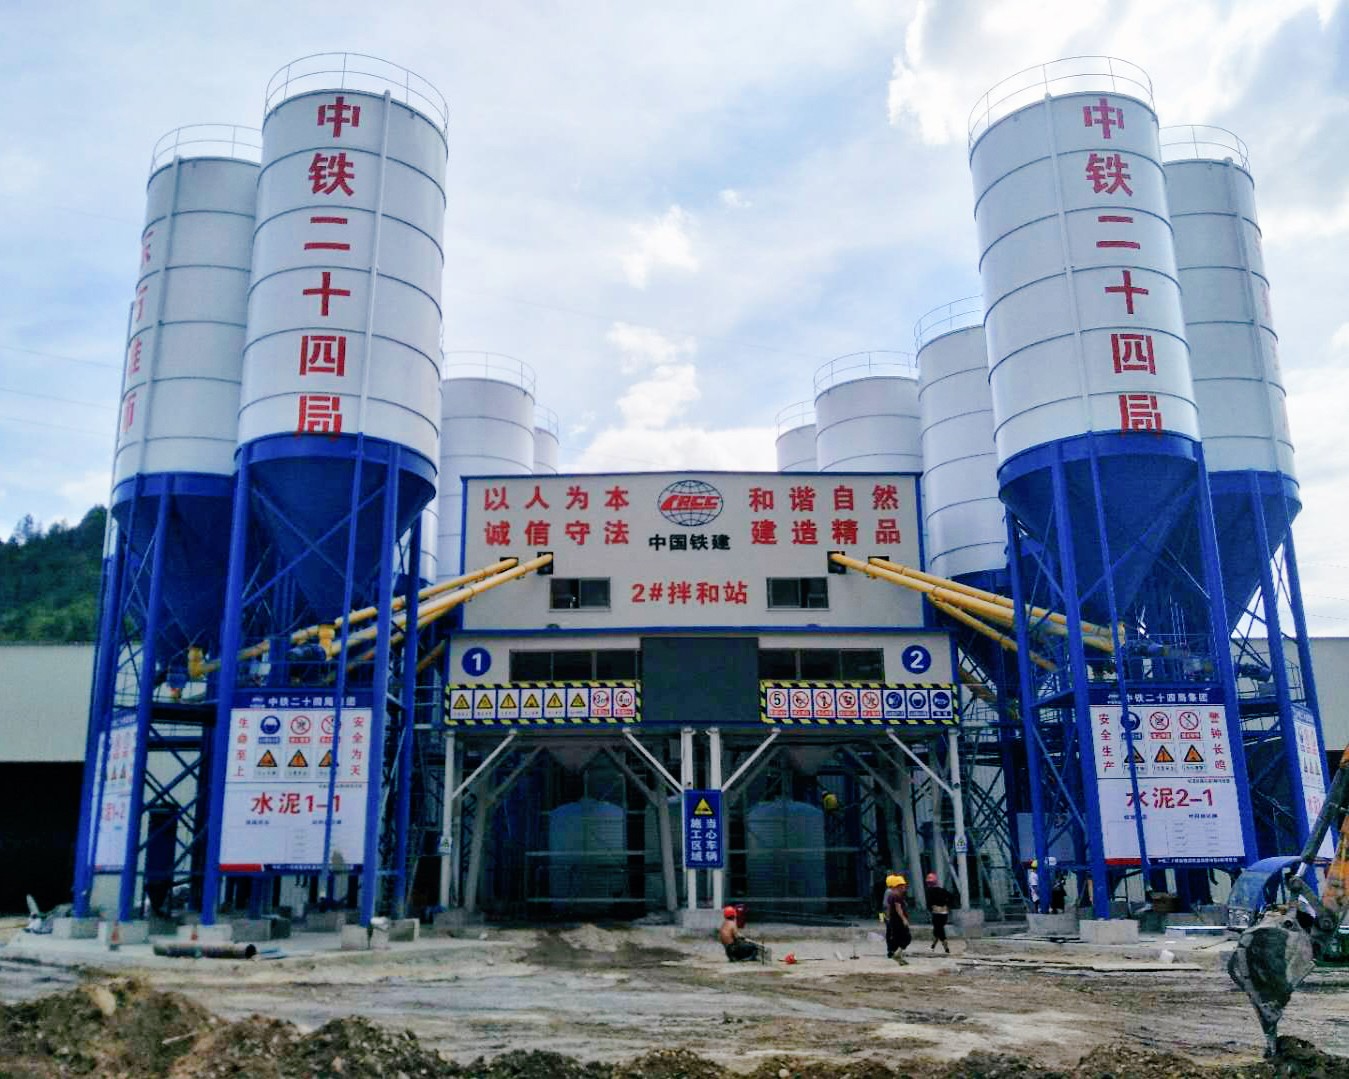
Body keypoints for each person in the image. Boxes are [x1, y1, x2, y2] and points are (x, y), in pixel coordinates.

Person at [882, 873, 912, 964]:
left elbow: (886, 906)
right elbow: (892, 907)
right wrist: (903, 919)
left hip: (889, 917)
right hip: (893, 918)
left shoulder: (890, 893)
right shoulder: (892, 893)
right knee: (901, 937)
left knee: (893, 935)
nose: (904, 887)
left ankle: (895, 953)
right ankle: (893, 952)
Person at [924, 871, 955, 953]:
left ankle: (946, 949)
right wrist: (947, 905)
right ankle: (932, 947)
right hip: (944, 913)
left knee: (939, 931)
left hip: (936, 913)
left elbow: (929, 903)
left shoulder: (929, 891)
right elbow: (951, 897)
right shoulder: (942, 890)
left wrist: (931, 909)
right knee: (937, 930)